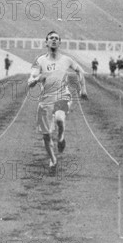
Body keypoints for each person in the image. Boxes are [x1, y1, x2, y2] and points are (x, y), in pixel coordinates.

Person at [28, 31, 87, 168]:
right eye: (51, 38)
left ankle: (61, 136)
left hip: (62, 95)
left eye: (56, 38)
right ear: (46, 42)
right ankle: (53, 159)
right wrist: (36, 79)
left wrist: (83, 88)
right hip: (45, 100)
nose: (54, 40)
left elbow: (80, 70)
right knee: (46, 135)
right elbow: (31, 79)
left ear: (59, 43)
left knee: (60, 118)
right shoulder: (40, 61)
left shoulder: (66, 59)